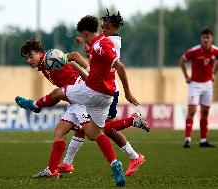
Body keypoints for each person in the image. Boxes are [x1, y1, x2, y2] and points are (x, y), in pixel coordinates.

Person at [16, 15, 140, 187]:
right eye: (27, 58)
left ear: (39, 53)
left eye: (31, 56)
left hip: (85, 96)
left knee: (61, 96)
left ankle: (35, 105)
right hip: (92, 95)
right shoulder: (48, 64)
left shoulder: (52, 58)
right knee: (66, 131)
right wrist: (83, 43)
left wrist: (79, 66)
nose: (29, 61)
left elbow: (79, 58)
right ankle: (55, 170)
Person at [58, 10, 147, 177]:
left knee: (101, 130)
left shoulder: (110, 42)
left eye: (105, 26)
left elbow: (103, 50)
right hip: (100, 88)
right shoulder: (105, 40)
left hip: (106, 91)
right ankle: (66, 163)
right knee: (87, 128)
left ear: (113, 27)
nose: (102, 28)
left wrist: (83, 49)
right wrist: (84, 39)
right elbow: (95, 43)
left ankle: (132, 128)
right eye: (101, 26)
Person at [179, 27, 218, 148]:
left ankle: (203, 140)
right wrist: (186, 76)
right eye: (204, 37)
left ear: (211, 39)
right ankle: (187, 139)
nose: (206, 39)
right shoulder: (194, 51)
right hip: (194, 85)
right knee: (192, 110)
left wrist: (214, 73)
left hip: (207, 85)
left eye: (208, 37)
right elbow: (182, 60)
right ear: (201, 39)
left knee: (205, 112)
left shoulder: (215, 51)